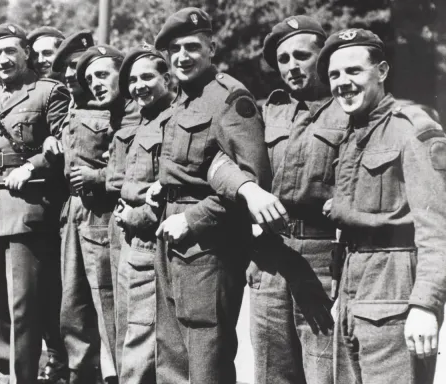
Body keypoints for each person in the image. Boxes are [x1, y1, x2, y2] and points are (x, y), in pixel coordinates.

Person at [319, 28, 446, 384]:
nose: (343, 83)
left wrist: (425, 305)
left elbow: (442, 230)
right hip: (354, 294)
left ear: (382, 71)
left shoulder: (412, 130)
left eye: (354, 71)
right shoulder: (352, 135)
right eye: (335, 75)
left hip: (398, 295)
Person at [149, 7, 286, 383]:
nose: (182, 56)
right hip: (171, 231)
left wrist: (192, 218)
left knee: (206, 353)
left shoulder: (229, 98)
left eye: (192, 46)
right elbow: (190, 166)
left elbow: (253, 182)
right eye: (174, 49)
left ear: (211, 47)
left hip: (208, 245)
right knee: (172, 350)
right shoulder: (180, 100)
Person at [244, 15, 350, 384]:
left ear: (323, 57)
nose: (291, 66)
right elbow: (220, 157)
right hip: (269, 255)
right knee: (272, 370)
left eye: (301, 56)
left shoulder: (348, 110)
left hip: (323, 255)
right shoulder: (265, 110)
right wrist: (249, 190)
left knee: (325, 370)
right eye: (284, 59)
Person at [0, 23, 70, 384]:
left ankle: (24, 377)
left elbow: (61, 144)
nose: (3, 59)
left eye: (11, 51)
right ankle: (7, 372)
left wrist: (31, 166)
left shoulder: (48, 92)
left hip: (30, 209)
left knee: (25, 305)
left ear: (27, 53)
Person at [58, 43, 133, 384]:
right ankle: (80, 371)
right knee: (72, 301)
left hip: (104, 215)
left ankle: (115, 373)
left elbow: (139, 168)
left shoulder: (132, 113)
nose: (96, 83)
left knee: (108, 302)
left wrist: (98, 178)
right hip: (74, 211)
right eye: (91, 78)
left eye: (103, 74)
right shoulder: (81, 107)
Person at [110, 45, 174, 384]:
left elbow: (164, 193)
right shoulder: (141, 122)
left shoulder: (172, 122)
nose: (139, 86)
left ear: (167, 78)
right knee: (128, 333)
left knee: (142, 340)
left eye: (147, 76)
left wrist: (131, 215)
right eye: (133, 80)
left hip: (150, 246)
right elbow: (125, 184)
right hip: (130, 246)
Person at [27, 25, 71, 384]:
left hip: (80, 199)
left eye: (50, 53)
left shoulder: (81, 87)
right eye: (38, 54)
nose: (44, 61)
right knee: (48, 286)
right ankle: (56, 356)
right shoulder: (33, 93)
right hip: (46, 201)